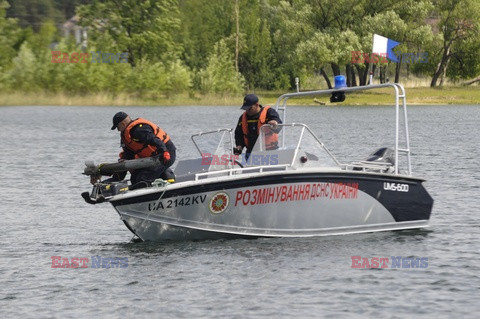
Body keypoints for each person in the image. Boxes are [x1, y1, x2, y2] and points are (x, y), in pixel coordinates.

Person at [110, 112, 176, 189]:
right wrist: (121, 165)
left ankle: (153, 194)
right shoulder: (126, 137)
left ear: (123, 123)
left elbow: (156, 141)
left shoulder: (139, 130)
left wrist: (164, 152)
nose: (118, 130)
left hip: (166, 154)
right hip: (152, 159)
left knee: (143, 179)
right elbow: (128, 154)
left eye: (118, 127)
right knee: (134, 178)